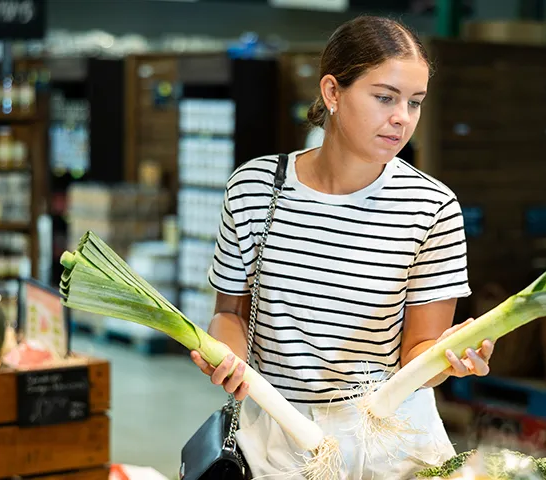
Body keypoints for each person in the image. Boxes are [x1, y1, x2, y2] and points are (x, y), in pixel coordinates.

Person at [190, 15, 495, 479]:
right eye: (384, 97)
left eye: (414, 103)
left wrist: (447, 359)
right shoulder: (254, 188)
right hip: (280, 438)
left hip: (392, 445)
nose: (402, 118)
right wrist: (228, 359)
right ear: (332, 92)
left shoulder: (431, 207)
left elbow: (419, 353)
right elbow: (230, 312)